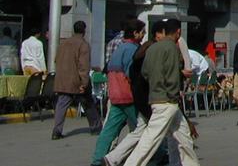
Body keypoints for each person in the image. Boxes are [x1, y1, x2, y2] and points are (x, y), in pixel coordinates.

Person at [121, 18, 199, 166]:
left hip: (156, 96)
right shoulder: (171, 48)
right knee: (151, 139)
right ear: (178, 32)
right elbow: (172, 75)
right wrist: (173, 93)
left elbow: (145, 72)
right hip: (167, 100)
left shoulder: (152, 48)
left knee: (184, 137)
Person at [91, 19, 145, 166]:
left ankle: (97, 159)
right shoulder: (132, 50)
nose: (144, 34)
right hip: (128, 96)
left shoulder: (119, 48)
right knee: (142, 129)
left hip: (115, 96)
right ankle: (153, 156)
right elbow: (132, 74)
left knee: (109, 130)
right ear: (135, 33)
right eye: (142, 32)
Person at [52, 20, 101, 140]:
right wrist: (84, 82)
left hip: (63, 80)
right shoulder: (83, 44)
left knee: (61, 105)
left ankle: (56, 131)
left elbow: (56, 59)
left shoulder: (63, 43)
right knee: (88, 103)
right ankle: (96, 127)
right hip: (77, 81)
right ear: (84, 31)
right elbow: (83, 66)